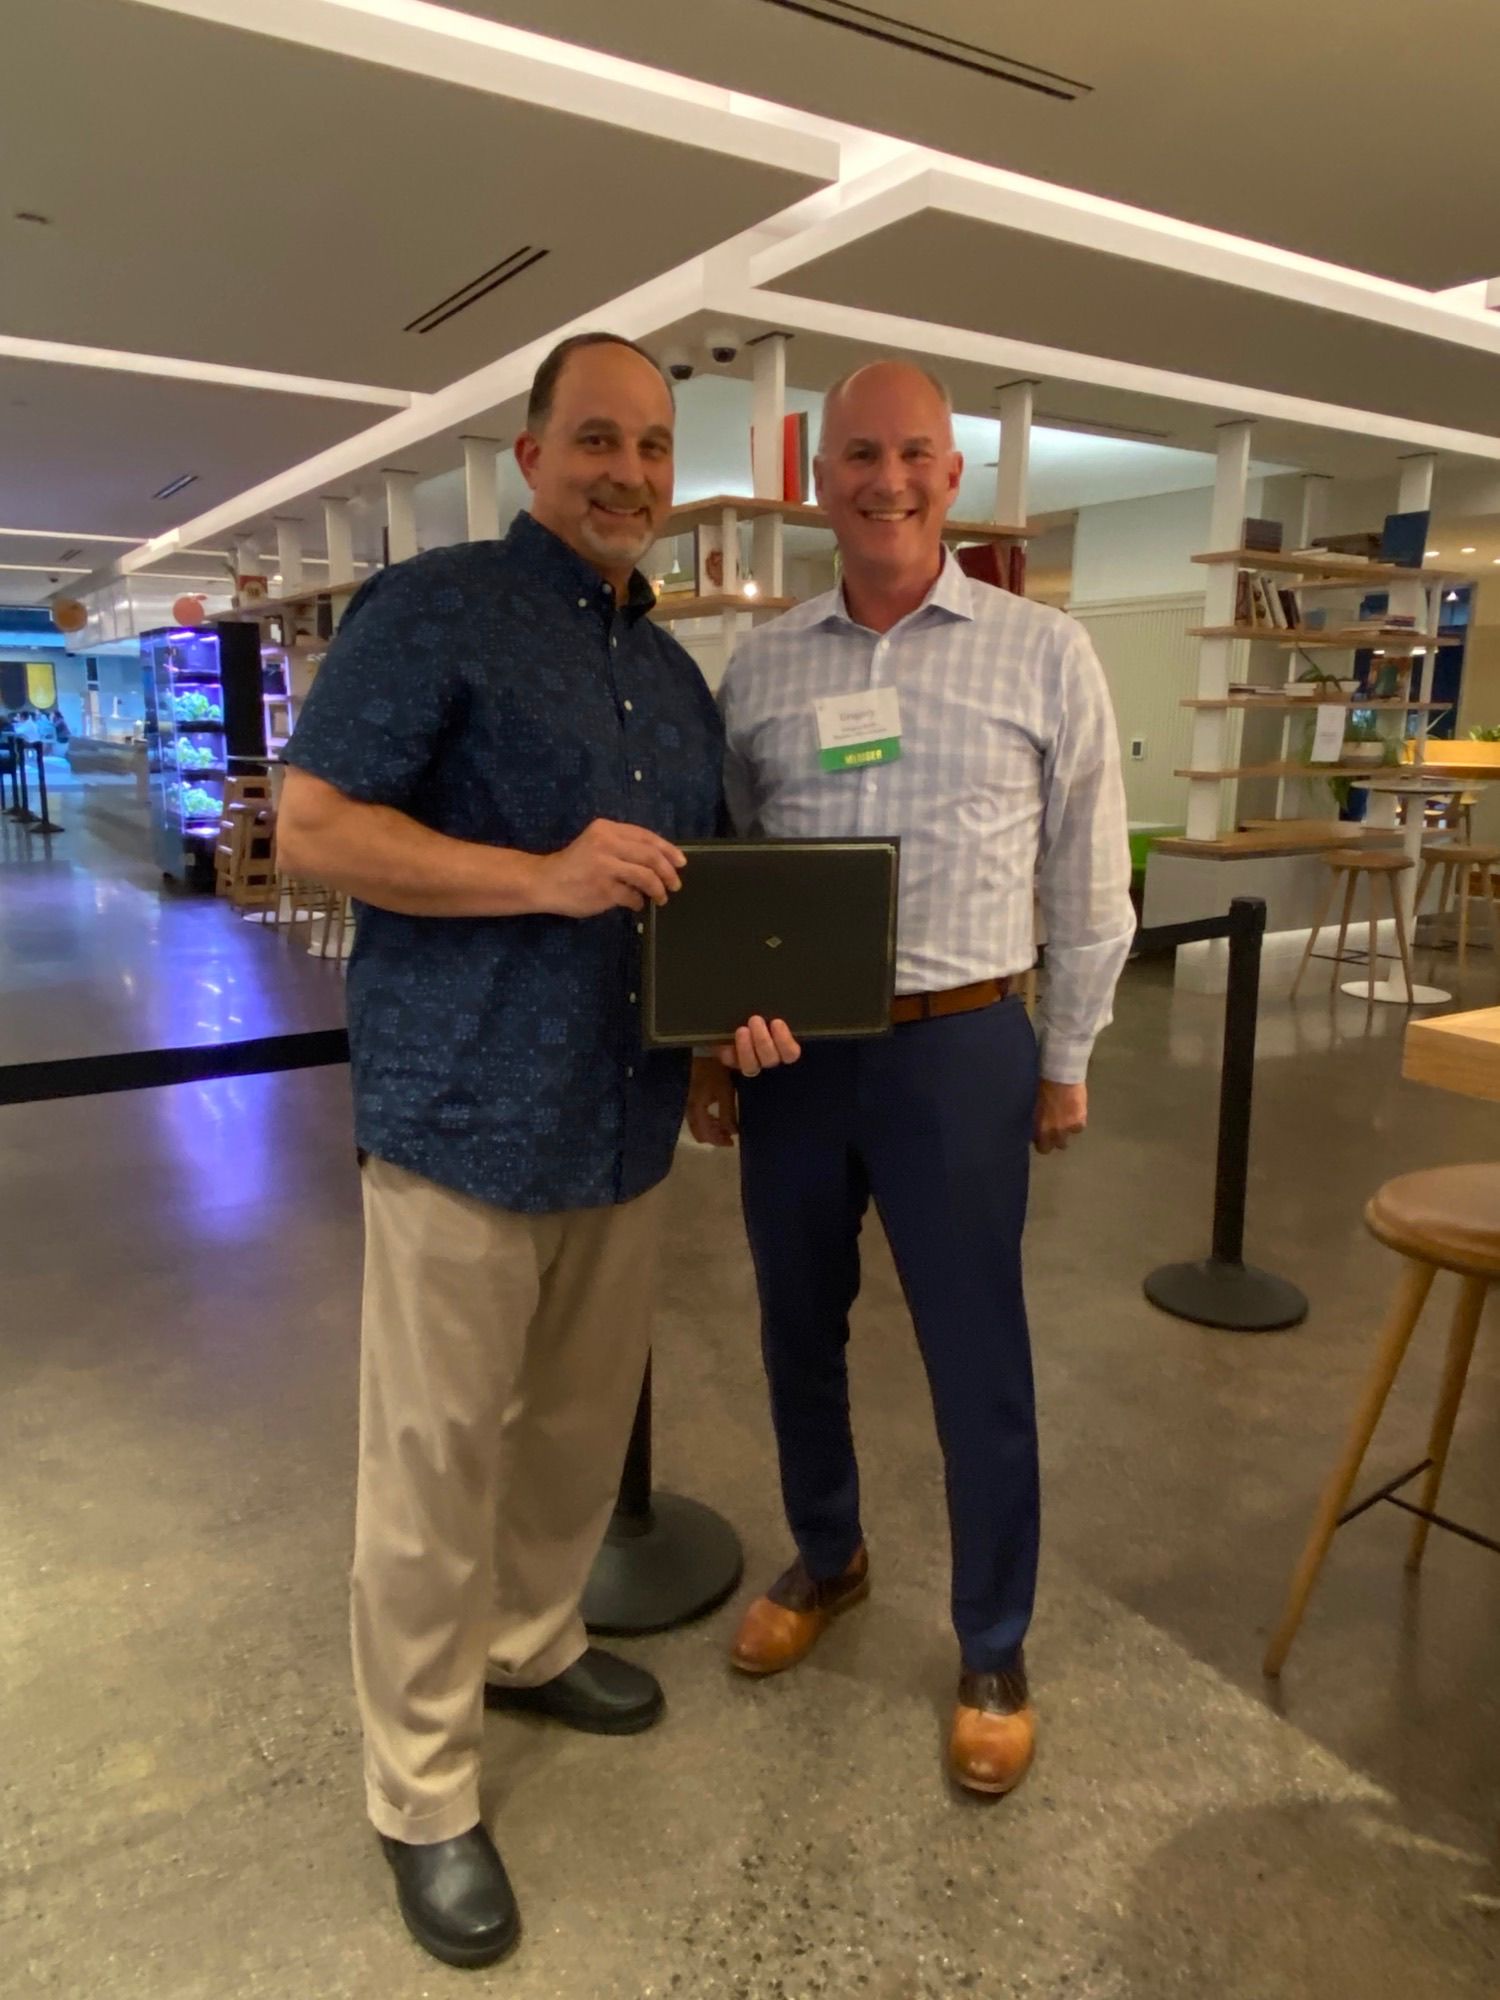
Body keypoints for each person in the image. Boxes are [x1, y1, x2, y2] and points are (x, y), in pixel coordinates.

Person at [277, 331, 795, 1970]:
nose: (627, 474)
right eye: (596, 439)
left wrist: (724, 1033)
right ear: (530, 454)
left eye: (651, 447)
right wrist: (541, 875)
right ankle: (423, 1792)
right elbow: (315, 826)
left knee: (573, 1438)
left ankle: (530, 1639)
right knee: (432, 1470)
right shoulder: (431, 610)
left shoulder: (676, 677)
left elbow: (700, 895)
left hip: (620, 1119)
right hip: (460, 1116)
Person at [689, 360, 1134, 1797]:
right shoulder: (763, 667)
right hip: (798, 1060)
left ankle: (994, 1641)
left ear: (953, 476)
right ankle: (828, 1554)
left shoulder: (1043, 652)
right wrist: (717, 1045)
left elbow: (1089, 873)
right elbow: (730, 876)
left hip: (963, 1048)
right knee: (795, 1328)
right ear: (820, 481)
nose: (887, 481)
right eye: (859, 456)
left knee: (975, 1350)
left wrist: (1065, 1055)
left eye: (913, 455)